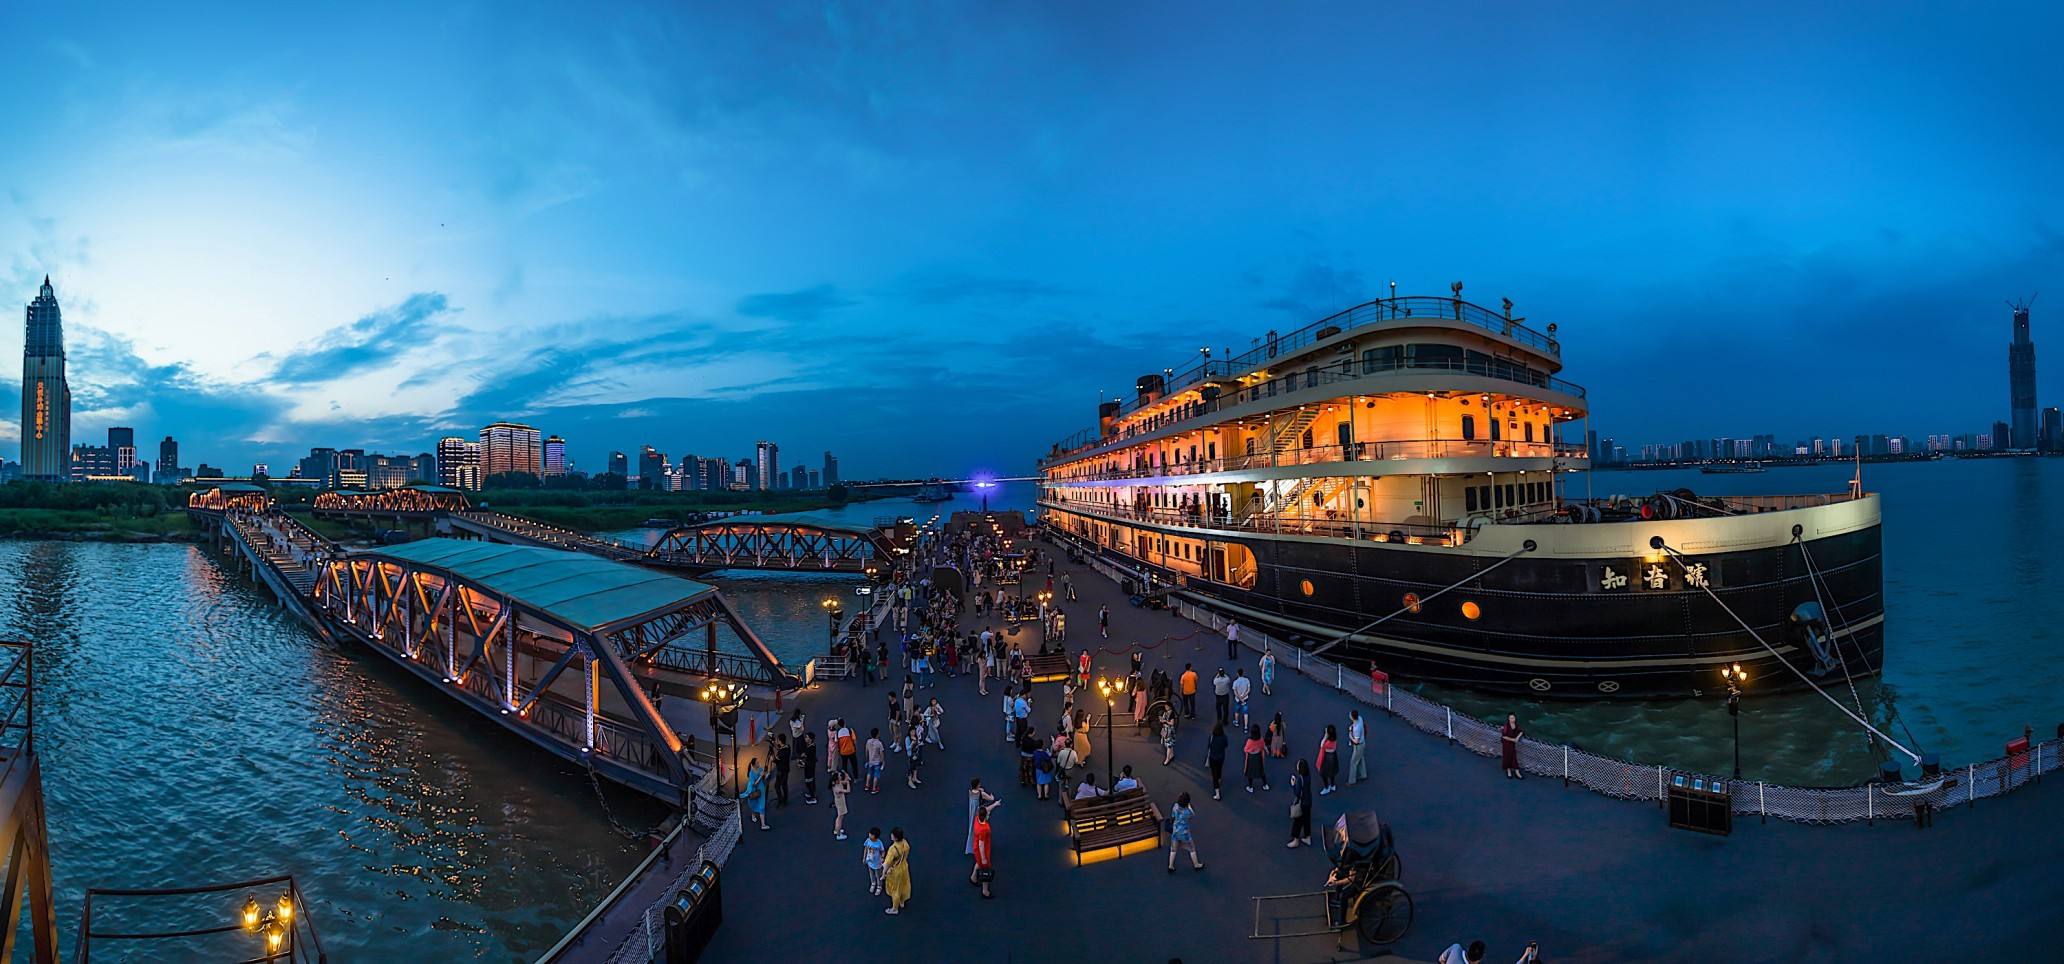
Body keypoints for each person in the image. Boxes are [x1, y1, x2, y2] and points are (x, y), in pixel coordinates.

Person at [1166, 791, 1203, 874]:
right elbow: (1192, 815)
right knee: (1192, 848)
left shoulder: (1175, 806)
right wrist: (1189, 806)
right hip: (1184, 833)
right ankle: (1196, 865)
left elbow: (1173, 816)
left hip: (1175, 831)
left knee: (1173, 849)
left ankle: (1170, 866)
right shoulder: (1187, 812)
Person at [966, 778, 1000, 853]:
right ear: (978, 785)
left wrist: (980, 790)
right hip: (979, 812)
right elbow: (991, 799)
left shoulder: (970, 791)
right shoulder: (982, 794)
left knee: (973, 827)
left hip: (972, 812)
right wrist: (992, 797)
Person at [882, 828, 912, 915]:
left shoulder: (892, 849)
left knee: (895, 889)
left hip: (895, 871)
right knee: (904, 884)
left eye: (892, 835)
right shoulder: (905, 843)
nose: (890, 836)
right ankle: (902, 901)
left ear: (895, 838)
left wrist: (883, 874)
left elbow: (887, 864)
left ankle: (895, 908)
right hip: (904, 867)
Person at [970, 804, 996, 899]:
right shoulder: (984, 829)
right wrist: (984, 858)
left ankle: (973, 878)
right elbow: (981, 844)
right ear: (985, 816)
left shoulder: (977, 819)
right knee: (985, 868)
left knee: (978, 863)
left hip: (976, 847)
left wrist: (995, 804)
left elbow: (985, 809)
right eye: (988, 814)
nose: (989, 813)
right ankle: (985, 891)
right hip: (983, 851)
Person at [1286, 758, 1313, 847]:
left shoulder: (1299, 779)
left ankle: (1296, 840)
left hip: (1302, 803)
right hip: (1308, 801)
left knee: (1297, 822)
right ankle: (1308, 837)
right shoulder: (1308, 776)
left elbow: (1297, 793)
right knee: (1306, 820)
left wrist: (1293, 784)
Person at [742, 758, 770, 831]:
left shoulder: (760, 769)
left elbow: (764, 776)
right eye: (757, 763)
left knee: (762, 805)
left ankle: (763, 825)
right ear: (754, 765)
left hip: (761, 789)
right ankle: (753, 815)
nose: (759, 764)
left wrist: (766, 774)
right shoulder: (751, 773)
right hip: (754, 790)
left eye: (758, 762)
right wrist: (760, 776)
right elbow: (754, 784)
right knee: (753, 803)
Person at [1205, 722, 1229, 800]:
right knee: (1219, 768)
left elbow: (1209, 746)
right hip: (1221, 757)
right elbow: (1226, 745)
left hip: (1213, 757)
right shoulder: (1224, 737)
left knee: (1214, 774)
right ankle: (1219, 778)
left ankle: (1217, 793)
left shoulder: (1212, 737)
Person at [1243, 724, 1270, 792]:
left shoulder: (1249, 741)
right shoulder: (1260, 739)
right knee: (1261, 771)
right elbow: (1263, 745)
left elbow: (1245, 749)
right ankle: (1265, 784)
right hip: (1258, 757)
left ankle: (1250, 787)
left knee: (1250, 772)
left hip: (1251, 757)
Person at [1317, 725, 1340, 795]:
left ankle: (1326, 788)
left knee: (1324, 773)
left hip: (1327, 757)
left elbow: (1321, 745)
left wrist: (1325, 736)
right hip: (1333, 756)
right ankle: (1332, 785)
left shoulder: (1327, 743)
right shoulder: (1334, 739)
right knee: (1332, 772)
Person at [863, 827, 887, 896]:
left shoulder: (879, 843)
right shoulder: (868, 840)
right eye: (870, 833)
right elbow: (866, 849)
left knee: (878, 875)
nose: (869, 835)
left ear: (875, 836)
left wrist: (882, 857)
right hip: (870, 861)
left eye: (871, 834)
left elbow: (883, 851)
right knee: (871, 873)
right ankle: (873, 883)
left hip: (877, 862)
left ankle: (879, 886)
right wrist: (864, 858)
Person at [771, 732, 792, 807]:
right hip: (786, 769)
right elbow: (779, 748)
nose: (777, 741)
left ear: (780, 741)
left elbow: (776, 761)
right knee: (784, 785)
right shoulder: (787, 747)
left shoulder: (781, 753)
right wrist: (774, 744)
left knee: (777, 786)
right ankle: (785, 799)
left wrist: (773, 758)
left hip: (781, 771)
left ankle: (780, 800)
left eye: (777, 740)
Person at [1347, 709, 1368, 785]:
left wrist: (1350, 735)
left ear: (1352, 717)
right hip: (1362, 743)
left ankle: (1351, 781)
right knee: (1360, 758)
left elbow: (1356, 741)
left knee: (1353, 762)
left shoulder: (1357, 729)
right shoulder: (1360, 718)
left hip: (1358, 746)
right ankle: (1363, 774)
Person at [1501, 714, 1524, 779]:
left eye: (1513, 718)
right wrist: (1513, 740)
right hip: (1506, 743)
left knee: (1513, 756)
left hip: (1512, 743)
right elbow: (1504, 736)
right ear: (1508, 719)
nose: (1512, 719)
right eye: (1511, 718)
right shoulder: (1506, 726)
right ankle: (1509, 770)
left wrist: (1517, 738)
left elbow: (1521, 731)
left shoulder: (1516, 725)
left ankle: (1517, 771)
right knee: (1507, 756)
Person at [800, 732, 819, 804]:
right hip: (810, 765)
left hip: (809, 766)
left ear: (810, 739)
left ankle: (813, 797)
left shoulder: (810, 748)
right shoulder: (812, 745)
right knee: (811, 780)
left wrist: (803, 757)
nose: (805, 738)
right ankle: (812, 793)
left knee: (809, 781)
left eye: (807, 737)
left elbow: (803, 755)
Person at [831, 769, 852, 839]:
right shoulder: (837, 789)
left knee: (839, 817)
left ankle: (836, 830)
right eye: (839, 776)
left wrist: (846, 777)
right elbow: (848, 790)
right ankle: (838, 834)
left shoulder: (836, 783)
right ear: (837, 779)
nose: (841, 776)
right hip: (840, 803)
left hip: (839, 802)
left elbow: (844, 782)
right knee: (840, 818)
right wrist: (848, 782)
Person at [864, 728, 886, 793]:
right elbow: (881, 754)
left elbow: (866, 751)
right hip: (877, 762)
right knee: (876, 775)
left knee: (869, 773)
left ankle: (867, 786)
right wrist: (883, 762)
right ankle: (874, 788)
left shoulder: (868, 741)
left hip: (870, 761)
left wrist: (867, 760)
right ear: (877, 734)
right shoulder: (879, 743)